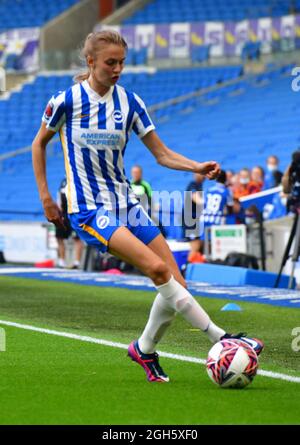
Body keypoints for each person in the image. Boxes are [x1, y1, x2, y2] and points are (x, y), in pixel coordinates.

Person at [32, 30, 263, 383]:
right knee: (158, 270)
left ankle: (144, 349)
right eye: (111, 62)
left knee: (177, 283)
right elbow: (39, 145)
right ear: (91, 61)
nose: (118, 69)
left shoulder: (130, 103)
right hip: (89, 210)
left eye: (122, 62)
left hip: (127, 204)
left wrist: (197, 167)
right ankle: (224, 339)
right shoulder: (66, 101)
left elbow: (162, 153)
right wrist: (47, 198)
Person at [56, 177, 84, 269]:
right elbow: (59, 195)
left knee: (77, 238)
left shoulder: (78, 179)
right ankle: (62, 261)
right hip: (64, 214)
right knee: (60, 237)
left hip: (75, 213)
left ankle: (77, 262)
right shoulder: (63, 181)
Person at [183, 173, 205, 262]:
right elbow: (195, 197)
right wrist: (205, 204)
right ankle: (186, 268)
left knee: (199, 244)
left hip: (195, 220)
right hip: (190, 220)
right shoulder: (193, 185)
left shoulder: (200, 186)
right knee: (195, 245)